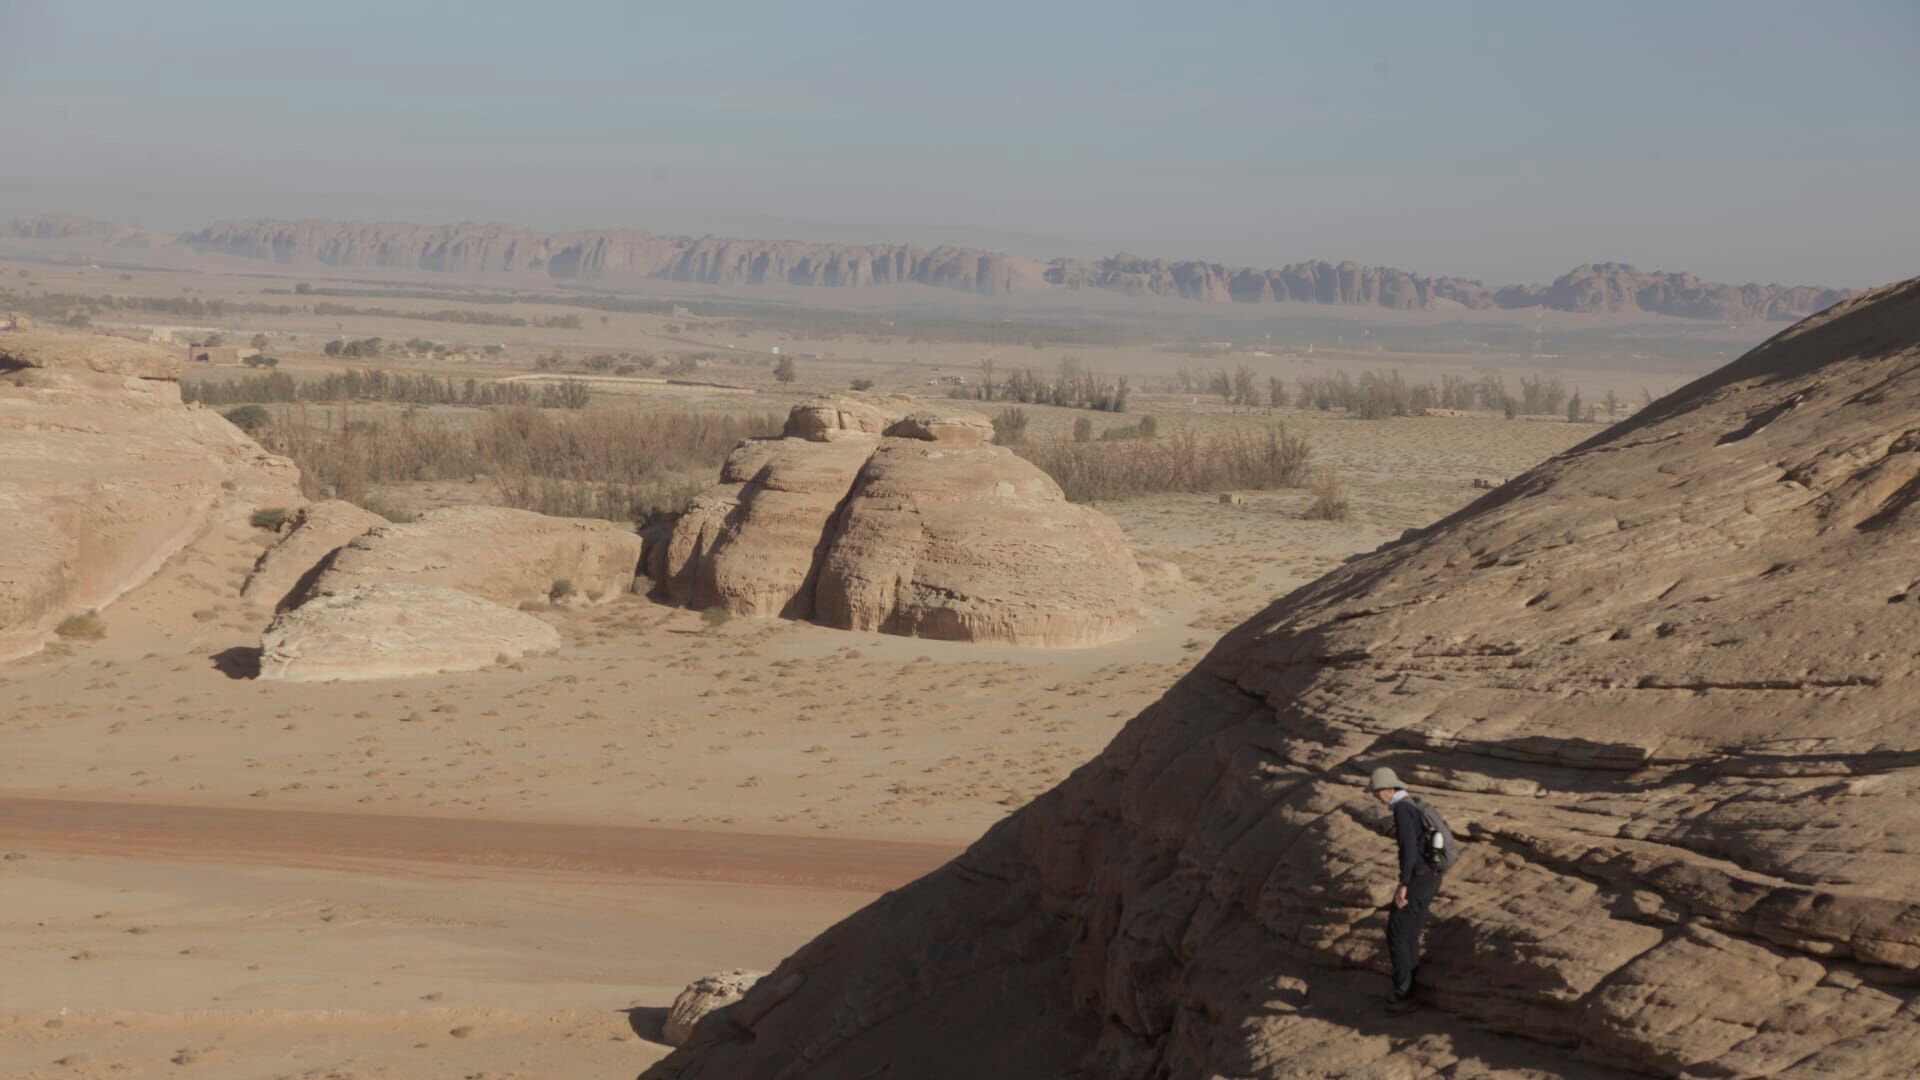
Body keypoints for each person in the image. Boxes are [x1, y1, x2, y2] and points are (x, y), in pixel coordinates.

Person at [1369, 766, 1443, 1013]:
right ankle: (1412, 987)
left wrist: (1403, 884)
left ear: (1390, 789)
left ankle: (1402, 991)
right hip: (1430, 877)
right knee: (1409, 932)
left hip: (1418, 879)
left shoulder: (1402, 809)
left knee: (1397, 932)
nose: (1375, 796)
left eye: (1377, 791)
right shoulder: (1411, 804)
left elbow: (1409, 850)